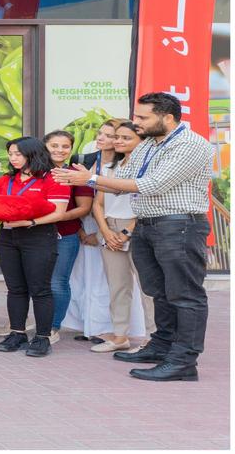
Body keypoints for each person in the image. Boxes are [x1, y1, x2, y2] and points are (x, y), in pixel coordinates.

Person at [53, 92, 214, 381]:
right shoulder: (149, 144)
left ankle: (184, 361)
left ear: (167, 117)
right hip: (148, 226)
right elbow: (124, 183)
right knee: (157, 291)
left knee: (185, 295)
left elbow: (152, 184)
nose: (135, 122)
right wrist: (84, 180)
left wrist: (91, 179)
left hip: (179, 226)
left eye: (142, 117)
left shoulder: (190, 144)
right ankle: (161, 346)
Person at [0, 136, 72, 357]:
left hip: (38, 236)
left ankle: (42, 337)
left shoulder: (53, 178)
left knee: (40, 289)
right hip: (7, 237)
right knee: (15, 288)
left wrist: (30, 222)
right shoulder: (6, 179)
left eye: (18, 154)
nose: (13, 158)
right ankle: (17, 333)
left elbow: (59, 213)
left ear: (33, 154)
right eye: (11, 154)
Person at [88, 120, 153, 352]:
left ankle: (152, 338)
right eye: (117, 137)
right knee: (117, 286)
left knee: (148, 288)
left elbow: (148, 202)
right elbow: (98, 203)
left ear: (141, 142)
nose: (118, 141)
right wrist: (106, 231)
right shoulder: (109, 168)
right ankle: (120, 336)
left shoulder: (148, 168)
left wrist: (127, 232)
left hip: (138, 227)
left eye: (126, 138)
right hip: (109, 228)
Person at [43, 130, 95, 344]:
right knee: (34, 283)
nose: (60, 150)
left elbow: (84, 208)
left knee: (57, 282)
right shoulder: (35, 172)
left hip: (65, 235)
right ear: (45, 147)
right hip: (34, 235)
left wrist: (55, 217)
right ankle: (36, 322)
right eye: (54, 145)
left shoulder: (77, 174)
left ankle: (52, 327)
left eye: (65, 146)